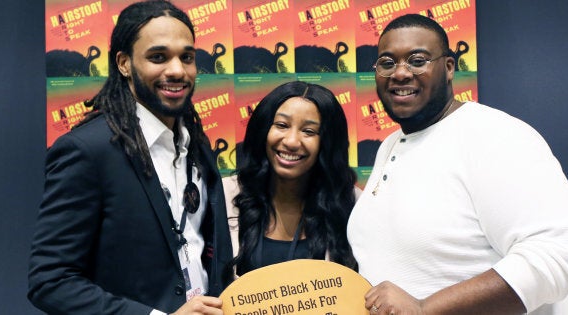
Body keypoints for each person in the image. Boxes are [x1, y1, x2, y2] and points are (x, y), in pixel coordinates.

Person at [347, 14, 568, 315]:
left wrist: (426, 308)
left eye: (417, 60)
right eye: (387, 62)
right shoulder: (390, 145)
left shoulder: (495, 135)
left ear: (449, 68)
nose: (400, 73)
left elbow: (557, 257)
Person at [28, 1, 233, 314]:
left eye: (187, 57)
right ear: (124, 63)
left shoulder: (197, 144)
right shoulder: (87, 150)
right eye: (158, 57)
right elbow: (50, 281)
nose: (177, 70)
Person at [223, 81, 359, 277]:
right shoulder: (224, 196)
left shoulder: (353, 205)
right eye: (282, 125)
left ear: (327, 143)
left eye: (309, 131)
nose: (292, 141)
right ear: (263, 130)